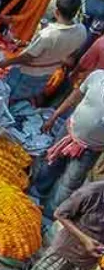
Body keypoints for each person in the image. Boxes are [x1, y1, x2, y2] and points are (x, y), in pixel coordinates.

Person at [18, 181, 104, 270]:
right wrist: (85, 240)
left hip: (85, 261)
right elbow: (60, 214)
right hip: (64, 252)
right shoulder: (92, 192)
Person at [37, 69, 104, 218]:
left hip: (91, 149)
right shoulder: (96, 76)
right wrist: (54, 116)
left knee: (69, 183)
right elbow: (74, 97)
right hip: (68, 132)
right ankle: (35, 194)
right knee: (50, 163)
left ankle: (49, 214)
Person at [1, 0, 86, 102]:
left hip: (28, 73)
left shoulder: (48, 34)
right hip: (48, 73)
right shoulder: (82, 30)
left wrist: (6, 62)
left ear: (56, 11)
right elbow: (71, 52)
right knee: (27, 94)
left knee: (9, 96)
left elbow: (28, 57)